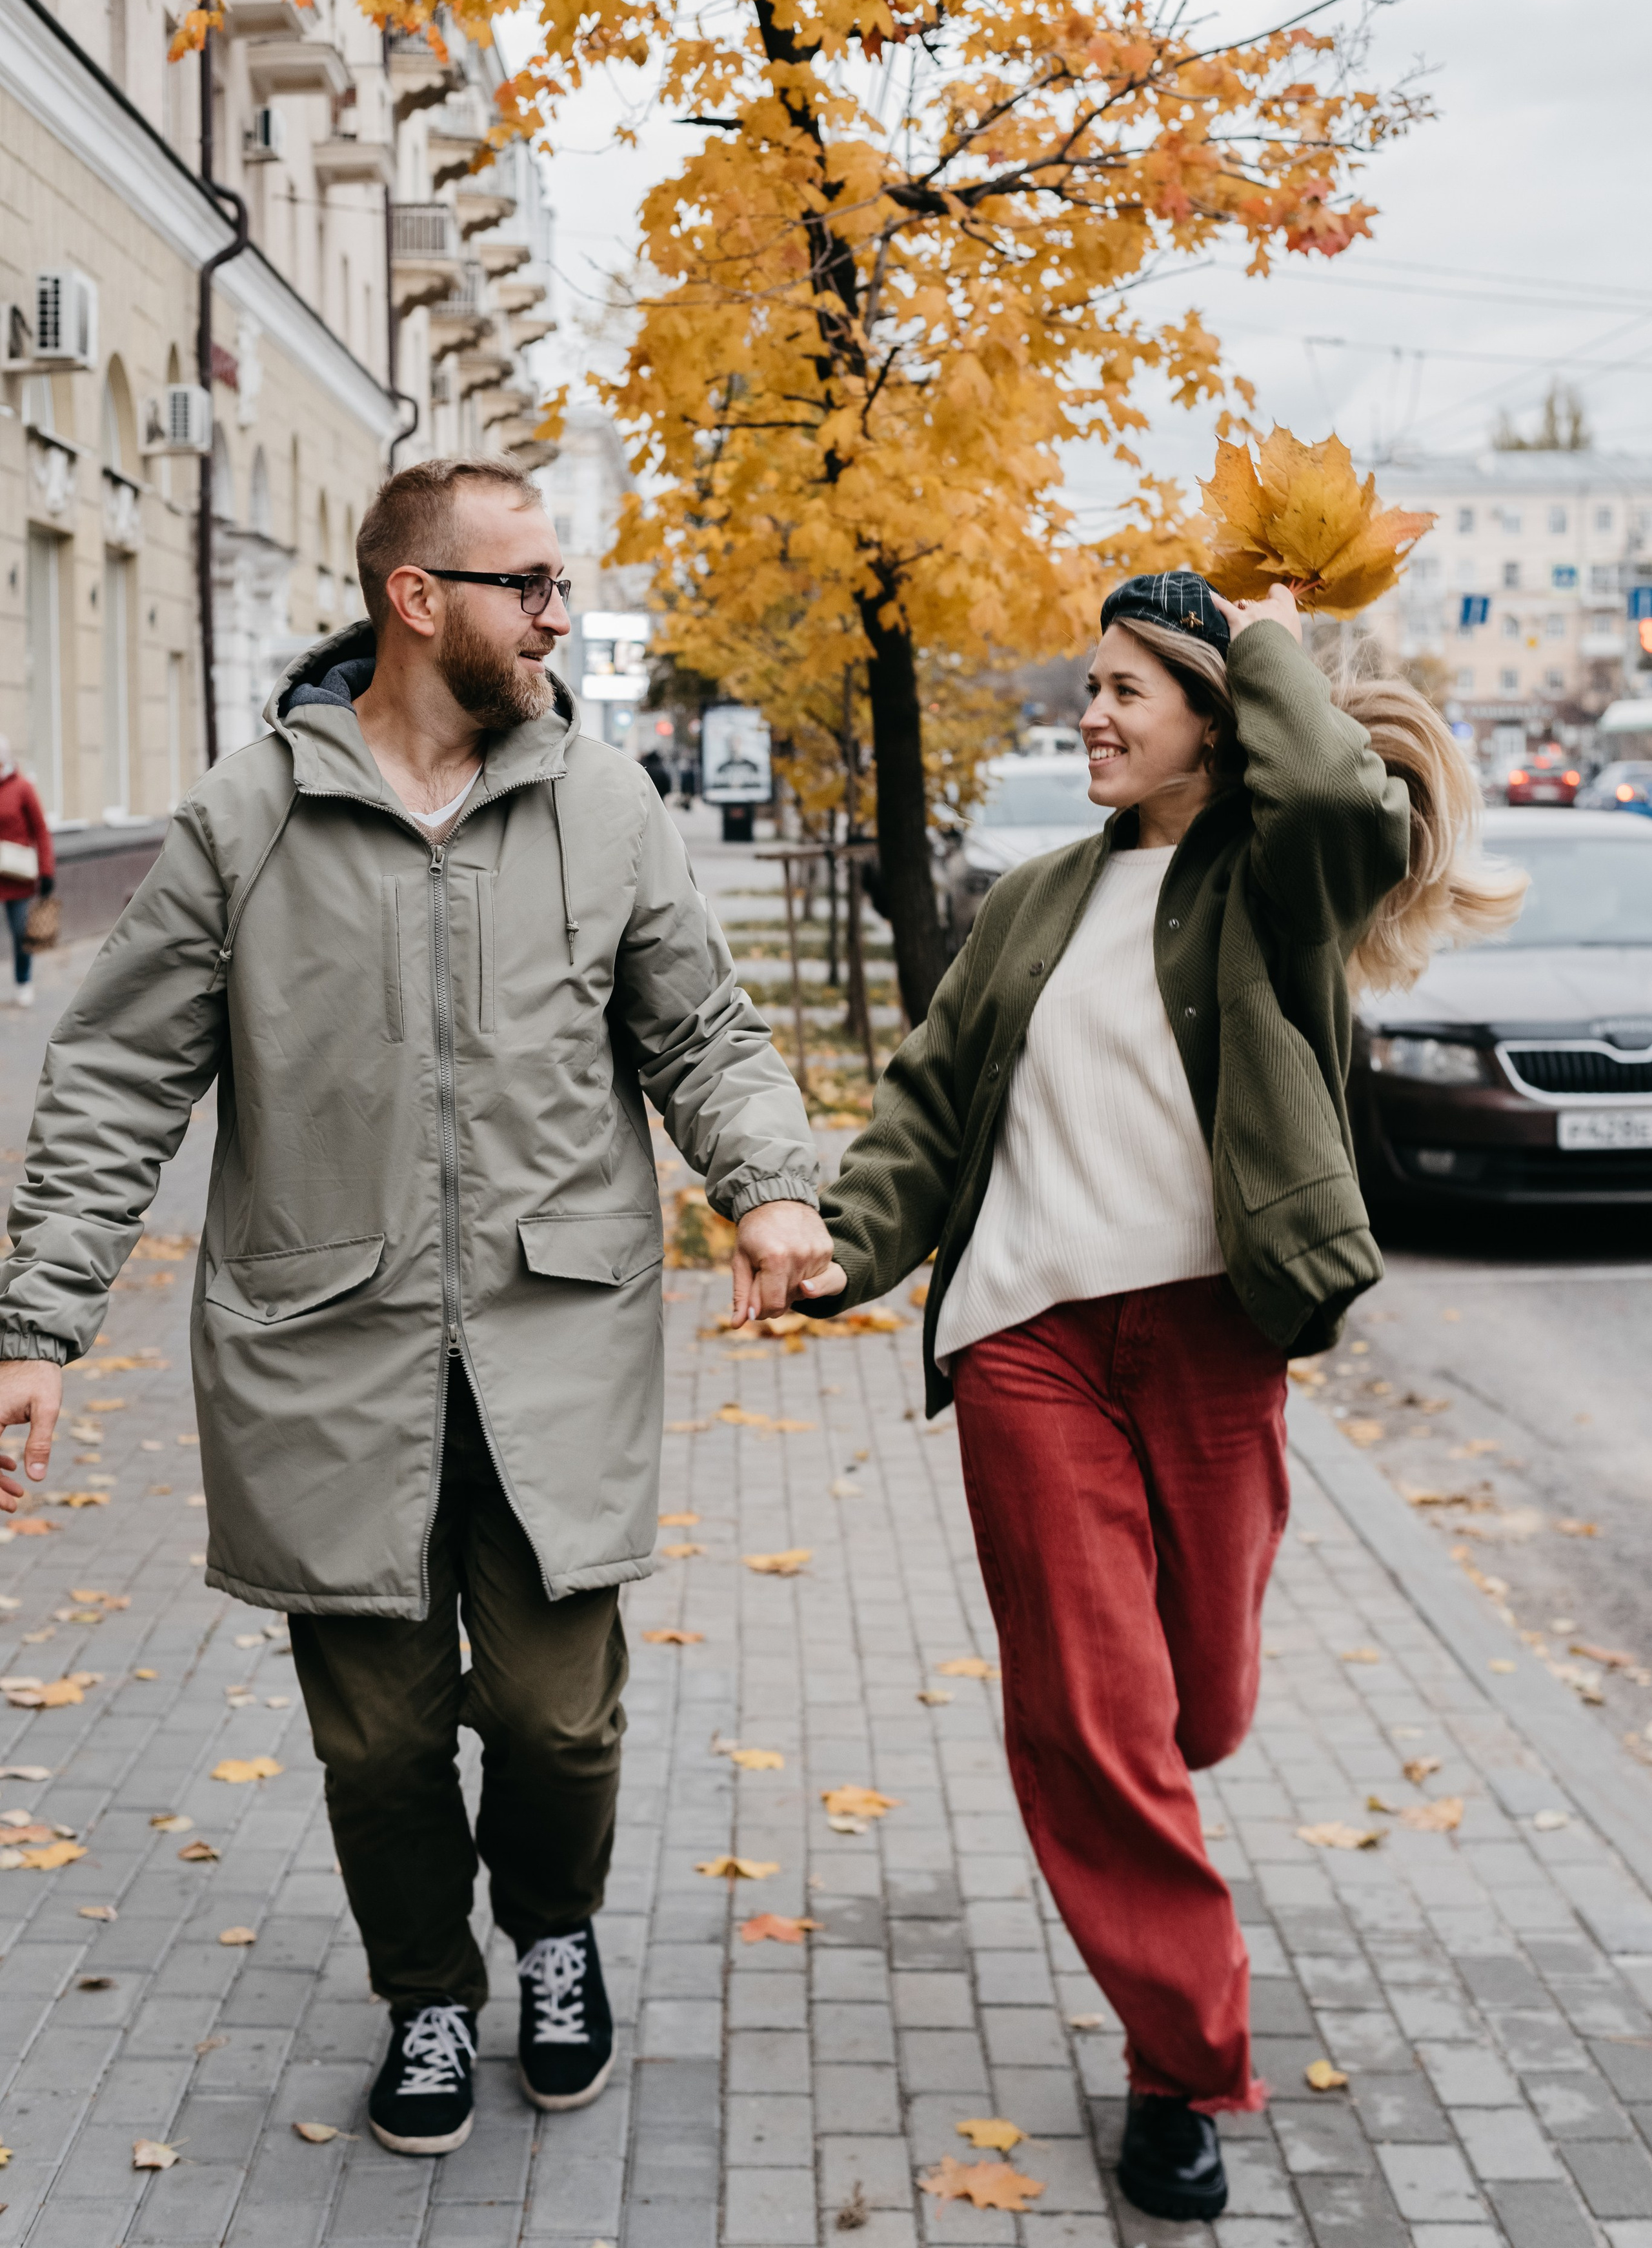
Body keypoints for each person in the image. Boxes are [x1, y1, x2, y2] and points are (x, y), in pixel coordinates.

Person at [0, 456, 833, 2160]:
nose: (556, 615)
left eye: (556, 584)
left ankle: (555, 1932)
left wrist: (766, 1181)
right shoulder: (251, 816)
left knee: (556, 1718)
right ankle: (428, 1989)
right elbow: (119, 1073)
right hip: (324, 1352)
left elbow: (700, 1031)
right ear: (418, 597)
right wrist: (37, 1322)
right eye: (527, 584)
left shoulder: (601, 804)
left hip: (556, 1342)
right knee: (378, 1742)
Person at [796, 570, 1523, 2222]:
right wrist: (840, 1248)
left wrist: (1266, 634)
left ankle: (1150, 1815)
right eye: (1090, 686)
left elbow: (1337, 791)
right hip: (1029, 1341)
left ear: (1215, 714)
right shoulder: (1032, 900)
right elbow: (927, 1104)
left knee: (1198, 1706)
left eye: (1129, 688)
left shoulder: (1280, 878)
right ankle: (1182, 2062)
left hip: (1209, 1338)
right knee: (1092, 1717)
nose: (1093, 714)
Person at [0, 736, 55, 1009]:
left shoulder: (23, 788)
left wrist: (46, 872)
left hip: (18, 877)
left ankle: (24, 982)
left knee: (22, 934)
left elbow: (41, 831)